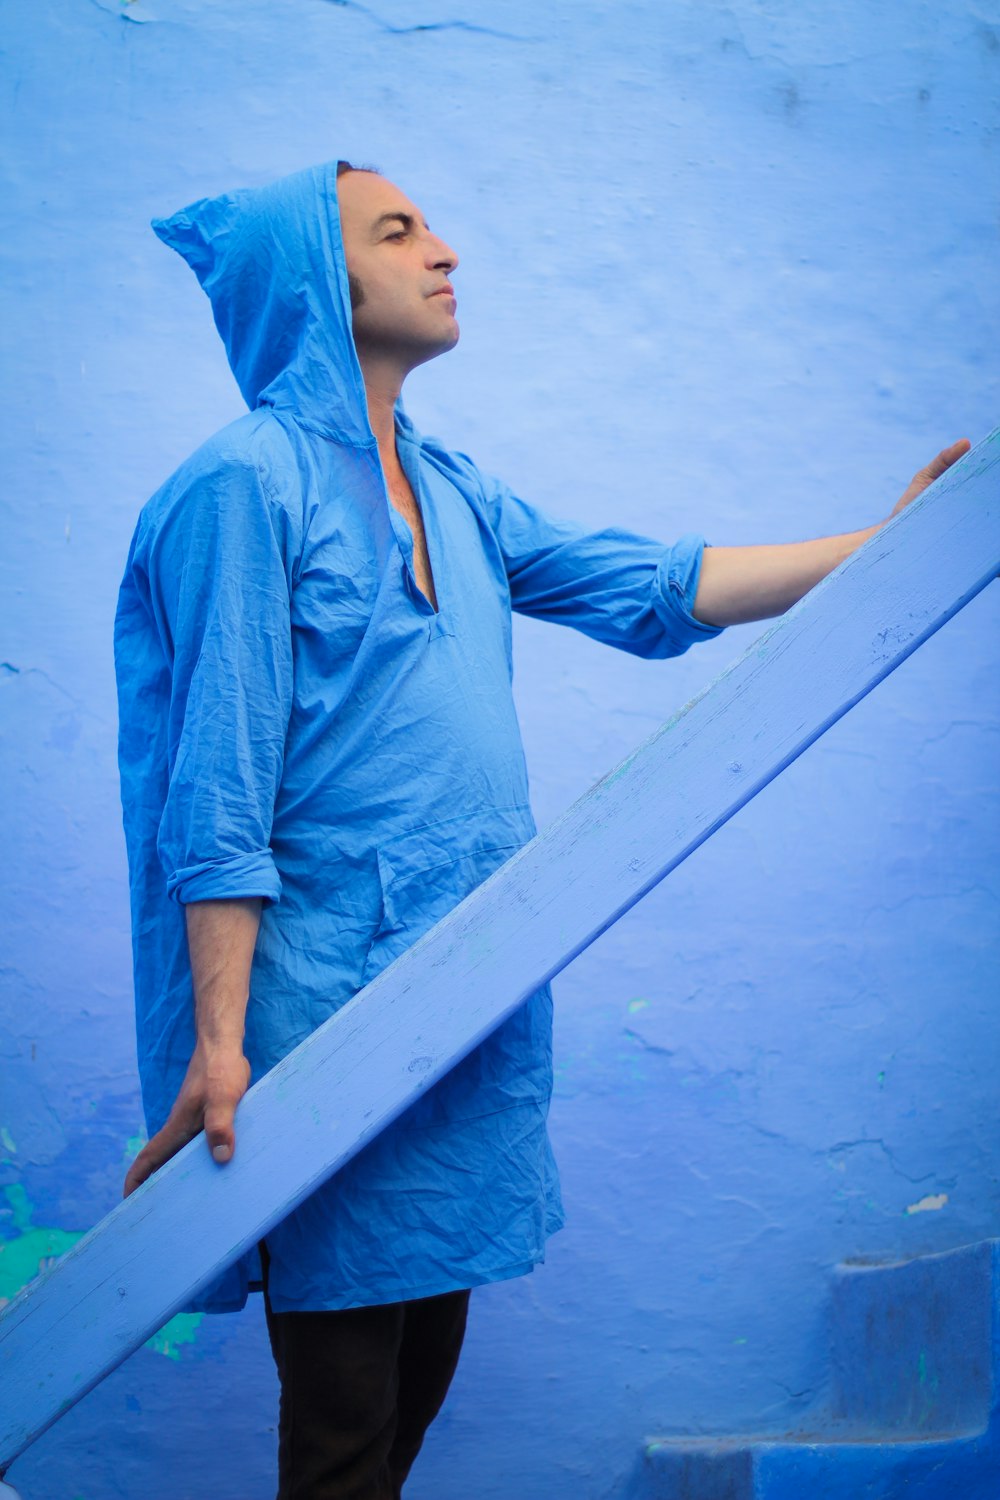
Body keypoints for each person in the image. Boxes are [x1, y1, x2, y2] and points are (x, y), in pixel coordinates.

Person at [114, 159, 967, 1499]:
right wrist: (221, 1047)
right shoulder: (243, 487)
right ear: (312, 288)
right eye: (400, 232)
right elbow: (215, 788)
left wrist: (889, 544)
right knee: (340, 1439)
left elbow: (652, 584)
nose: (444, 249)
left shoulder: (449, 489)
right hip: (320, 1028)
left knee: (403, 1414)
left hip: (464, 1005)